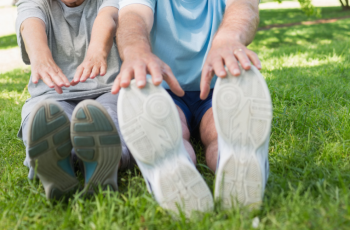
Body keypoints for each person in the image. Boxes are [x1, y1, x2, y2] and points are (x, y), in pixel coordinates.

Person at [112, 0, 273, 216]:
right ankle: (175, 166)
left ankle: (234, 160)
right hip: (165, 88)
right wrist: (136, 51)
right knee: (173, 131)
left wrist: (228, 38)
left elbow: (245, 6)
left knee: (220, 130)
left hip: (220, 85)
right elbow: (133, 16)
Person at [16, 0, 132, 200]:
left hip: (107, 89)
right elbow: (29, 22)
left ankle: (109, 160)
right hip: (53, 93)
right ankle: (58, 163)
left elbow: (108, 15)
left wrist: (97, 49)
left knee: (110, 115)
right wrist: (40, 55)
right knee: (43, 116)